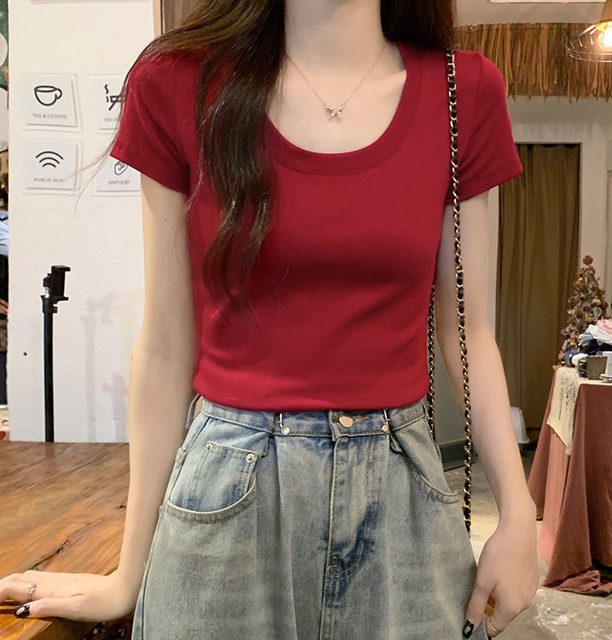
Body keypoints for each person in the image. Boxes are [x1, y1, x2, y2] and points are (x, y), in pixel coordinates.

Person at [0, 0, 539, 637]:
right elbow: (167, 345)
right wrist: (128, 574)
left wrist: (517, 515)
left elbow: (470, 332)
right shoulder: (177, 82)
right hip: (228, 488)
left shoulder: (462, 91)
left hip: (402, 497)